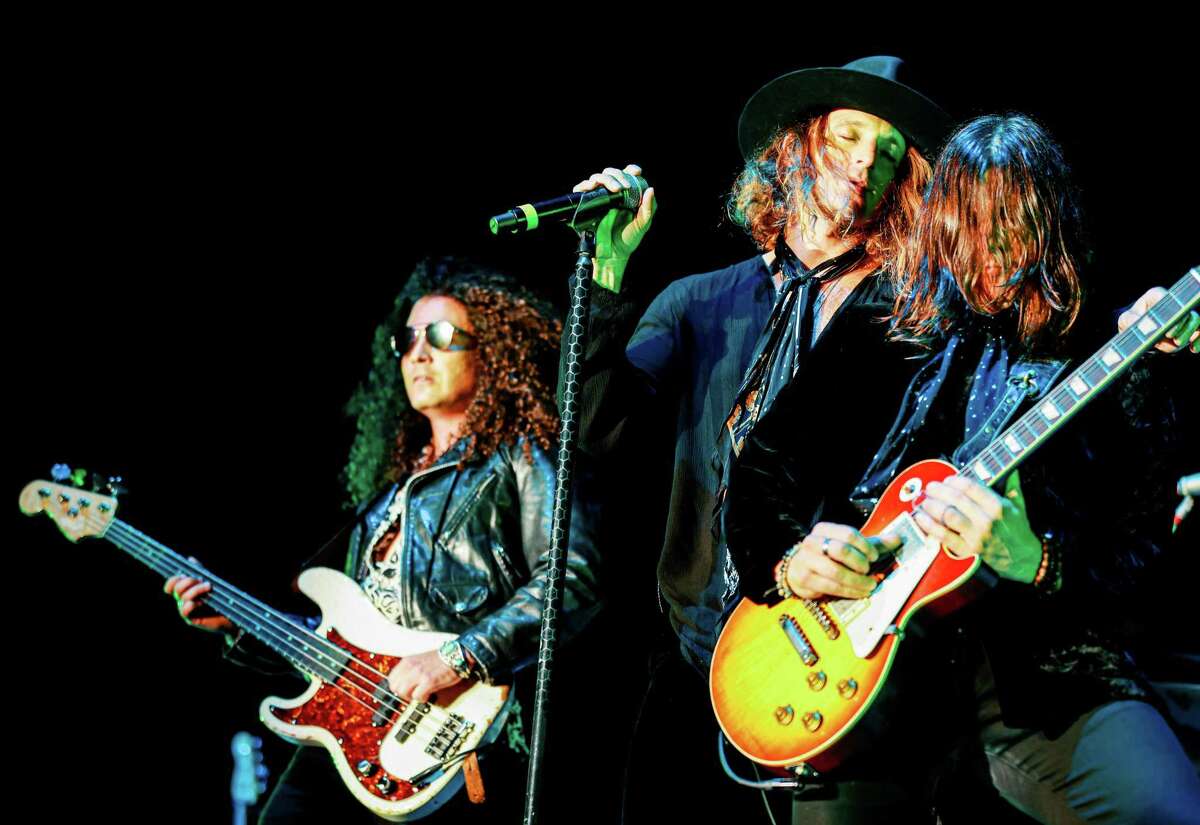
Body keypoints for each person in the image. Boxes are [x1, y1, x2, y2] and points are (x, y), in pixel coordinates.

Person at [721, 113, 1200, 823]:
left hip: (1039, 677)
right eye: (970, 225)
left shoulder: (1110, 349)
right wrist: (791, 563)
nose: (993, 249)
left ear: (1052, 225)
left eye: (1014, 225)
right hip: (859, 665)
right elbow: (763, 469)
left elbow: (1143, 553)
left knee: (1167, 809)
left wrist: (1040, 561)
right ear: (942, 224)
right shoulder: (890, 315)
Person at [569, 56, 952, 822]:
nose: (865, 162)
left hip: (839, 658)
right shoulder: (699, 301)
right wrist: (605, 277)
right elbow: (600, 437)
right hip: (695, 661)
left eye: (888, 153)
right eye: (848, 135)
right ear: (797, 145)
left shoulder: (910, 318)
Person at [165, 258, 603, 823]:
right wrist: (237, 625)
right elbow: (340, 646)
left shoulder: (521, 453)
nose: (418, 353)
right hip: (355, 732)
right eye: (408, 339)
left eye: (441, 336)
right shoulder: (383, 498)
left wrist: (457, 657)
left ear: (491, 352)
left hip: (459, 732)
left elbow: (574, 576)